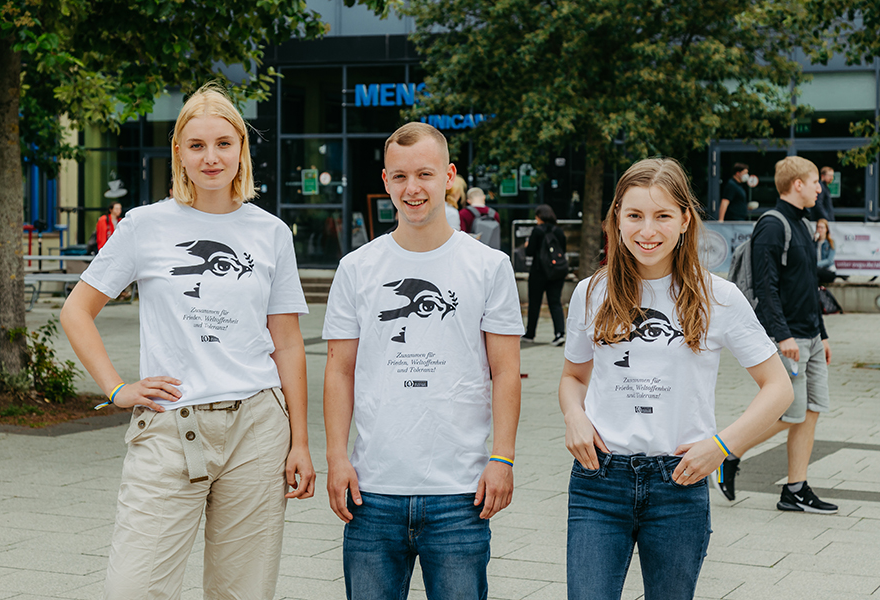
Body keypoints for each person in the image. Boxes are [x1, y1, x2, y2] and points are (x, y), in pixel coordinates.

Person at [60, 84, 316, 599]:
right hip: (168, 430)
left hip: (257, 429)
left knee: (240, 592)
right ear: (178, 151)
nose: (211, 157)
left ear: (242, 148)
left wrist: (302, 442)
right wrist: (116, 389)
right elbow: (76, 311)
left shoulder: (271, 233)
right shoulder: (145, 225)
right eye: (196, 145)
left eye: (224, 143)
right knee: (133, 588)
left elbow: (287, 343)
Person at [559, 157, 793, 600]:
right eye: (635, 216)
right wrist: (574, 415)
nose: (647, 231)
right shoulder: (592, 291)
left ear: (685, 219)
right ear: (617, 219)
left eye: (662, 215)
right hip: (598, 482)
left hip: (679, 483)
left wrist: (723, 448)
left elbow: (779, 387)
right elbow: (573, 376)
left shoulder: (717, 296)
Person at [323, 122, 524, 600]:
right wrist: (335, 457)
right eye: (399, 177)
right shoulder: (357, 268)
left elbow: (506, 371)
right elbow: (338, 369)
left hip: (460, 492)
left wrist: (503, 457)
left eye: (425, 174)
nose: (412, 188)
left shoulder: (488, 266)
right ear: (386, 180)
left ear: (449, 176)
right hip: (372, 492)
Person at [714, 156, 838, 514]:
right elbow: (766, 289)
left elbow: (809, 286)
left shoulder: (803, 222)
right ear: (797, 184)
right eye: (815, 182)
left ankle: (795, 489)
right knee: (789, 412)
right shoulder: (773, 224)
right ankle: (728, 452)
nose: (820, 188)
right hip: (789, 339)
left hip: (811, 336)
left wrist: (823, 334)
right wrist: (782, 336)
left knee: (810, 411)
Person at [523, 204, 567, 346]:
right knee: (555, 302)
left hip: (538, 272)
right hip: (557, 272)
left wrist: (527, 245)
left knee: (534, 303)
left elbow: (530, 251)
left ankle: (530, 334)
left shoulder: (537, 231)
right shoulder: (559, 231)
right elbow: (563, 249)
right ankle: (559, 333)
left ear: (539, 217)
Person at [815, 218, 836, 284]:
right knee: (815, 278)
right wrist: (813, 242)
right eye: (818, 227)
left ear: (826, 229)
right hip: (817, 271)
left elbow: (829, 260)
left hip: (828, 270)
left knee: (814, 272)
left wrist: (816, 264)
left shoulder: (831, 243)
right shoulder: (814, 243)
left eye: (822, 228)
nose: (820, 230)